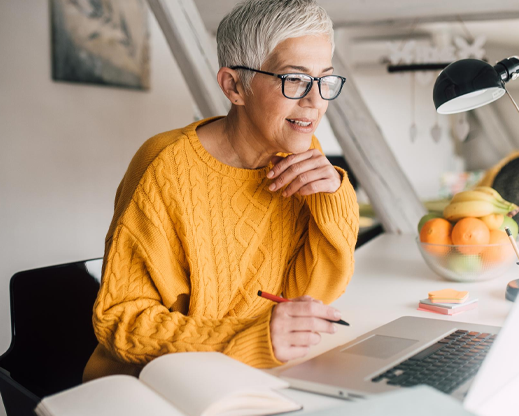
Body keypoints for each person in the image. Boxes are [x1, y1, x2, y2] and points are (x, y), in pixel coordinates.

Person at [83, 0, 358, 381]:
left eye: (325, 79)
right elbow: (121, 322)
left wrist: (333, 197)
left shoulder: (297, 153)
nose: (315, 101)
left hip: (243, 375)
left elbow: (311, 294)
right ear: (234, 86)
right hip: (149, 386)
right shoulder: (163, 167)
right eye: (294, 79)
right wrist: (246, 338)